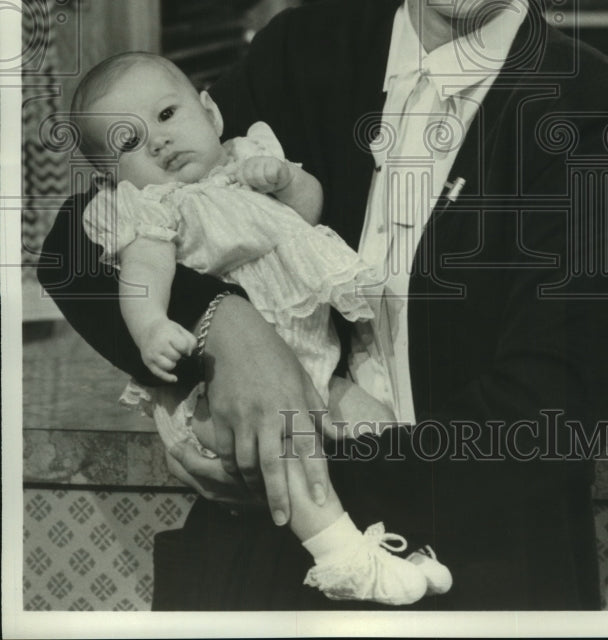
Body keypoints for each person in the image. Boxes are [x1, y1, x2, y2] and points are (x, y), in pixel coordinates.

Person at [39, 0, 608, 610]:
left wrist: (285, 456)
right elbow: (76, 243)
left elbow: (546, 426)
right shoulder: (303, 54)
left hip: (478, 585)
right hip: (269, 584)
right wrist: (230, 332)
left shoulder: (597, 114)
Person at [70, 50, 452, 605]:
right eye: (128, 142)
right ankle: (343, 558)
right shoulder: (153, 208)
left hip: (312, 367)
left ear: (210, 113)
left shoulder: (246, 160)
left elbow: (308, 211)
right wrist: (152, 325)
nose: (156, 141)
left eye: (168, 115)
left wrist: (285, 179)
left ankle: (401, 543)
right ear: (110, 174)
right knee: (286, 451)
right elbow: (142, 274)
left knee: (381, 426)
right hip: (224, 388)